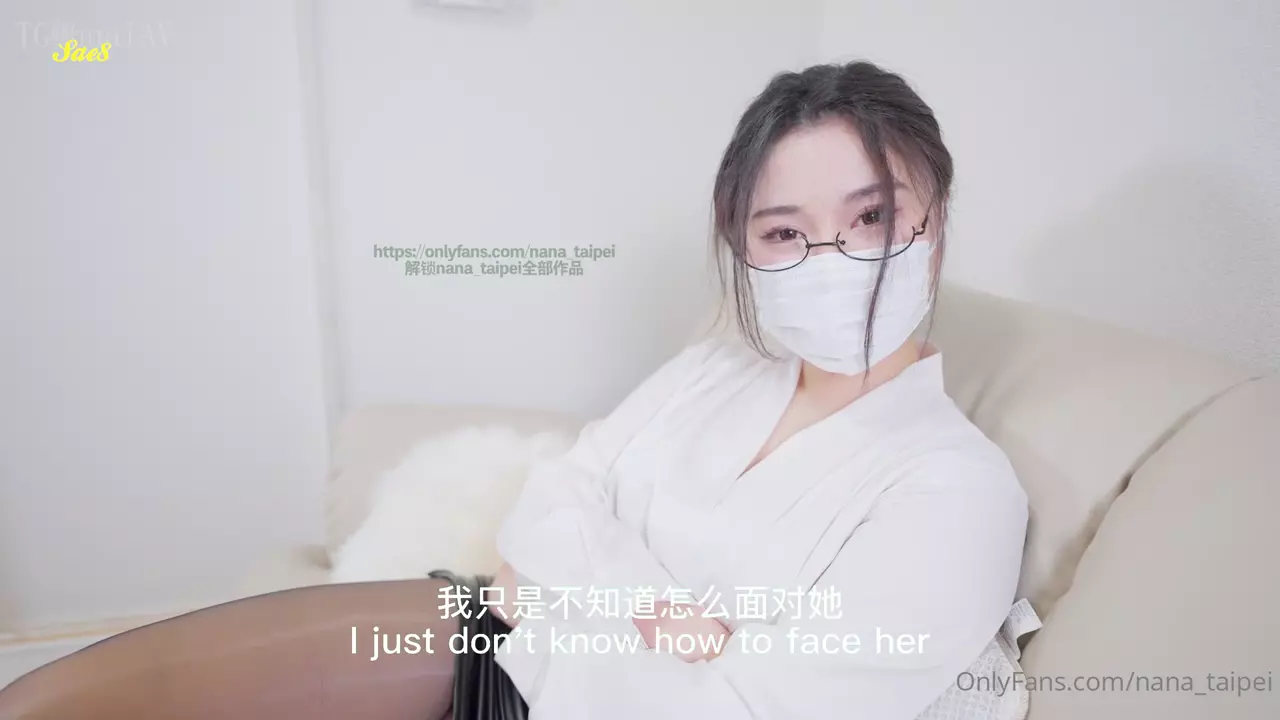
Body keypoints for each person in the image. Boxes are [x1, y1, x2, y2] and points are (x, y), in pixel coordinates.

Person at [0, 60, 1028, 720]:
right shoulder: (720, 367)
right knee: (98, 693)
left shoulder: (955, 490)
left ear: (934, 217)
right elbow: (556, 494)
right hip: (490, 636)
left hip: (545, 685)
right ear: (743, 250)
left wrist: (564, 585)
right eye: (783, 232)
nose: (830, 258)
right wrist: (650, 604)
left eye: (869, 217)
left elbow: (748, 707)